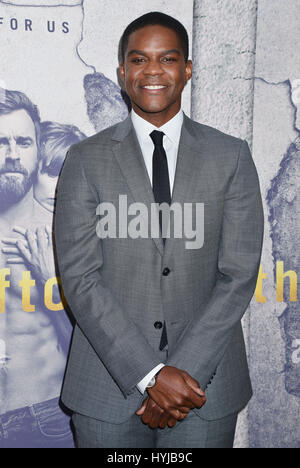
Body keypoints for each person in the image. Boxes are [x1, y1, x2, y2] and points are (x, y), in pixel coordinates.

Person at [54, 12, 264, 448]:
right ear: (122, 72)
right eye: (138, 59)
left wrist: (178, 375)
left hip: (204, 385)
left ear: (187, 69)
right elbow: (80, 277)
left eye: (167, 58)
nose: (152, 71)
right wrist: (150, 375)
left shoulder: (232, 156)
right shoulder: (84, 160)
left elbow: (238, 274)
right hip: (106, 389)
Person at [0, 89, 74, 448]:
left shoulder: (62, 234)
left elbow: (96, 349)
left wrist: (50, 284)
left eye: (24, 143)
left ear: (36, 148)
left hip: (44, 420)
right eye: (1, 142)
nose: (12, 155)